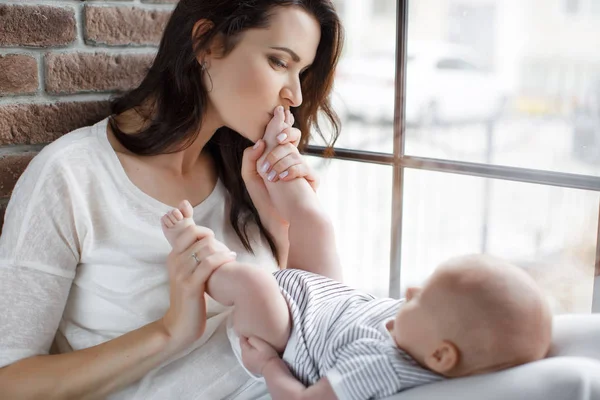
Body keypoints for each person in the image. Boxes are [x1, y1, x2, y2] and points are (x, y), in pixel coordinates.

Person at [0, 1, 344, 399]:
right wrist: (170, 331)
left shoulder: (244, 174)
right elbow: (9, 381)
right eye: (278, 62)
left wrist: (287, 223)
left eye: (301, 72)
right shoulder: (71, 176)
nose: (296, 95)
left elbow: (311, 330)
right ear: (207, 43)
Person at [160, 125, 553, 399]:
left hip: (288, 337)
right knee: (315, 225)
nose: (410, 292)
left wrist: (267, 366)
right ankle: (275, 156)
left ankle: (197, 253)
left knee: (254, 285)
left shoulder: (383, 365)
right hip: (320, 305)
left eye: (422, 299)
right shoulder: (428, 331)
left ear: (440, 356)